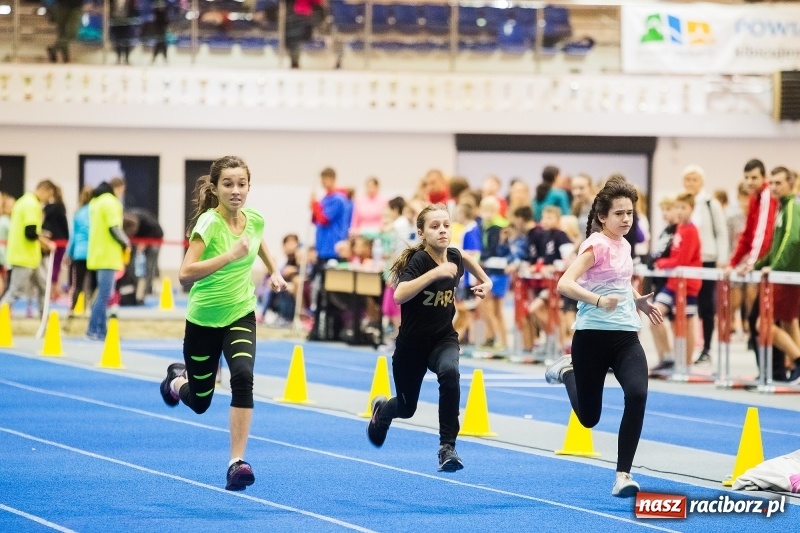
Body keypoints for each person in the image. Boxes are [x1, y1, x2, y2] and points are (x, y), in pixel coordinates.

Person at [158, 156, 287, 491]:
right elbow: (185, 273)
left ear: (248, 187)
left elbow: (259, 246)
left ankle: (236, 462)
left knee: (243, 377)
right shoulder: (208, 224)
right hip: (203, 320)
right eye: (228, 184)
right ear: (214, 188)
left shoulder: (255, 220)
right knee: (201, 402)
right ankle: (175, 381)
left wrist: (274, 271)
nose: (236, 190)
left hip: (241, 312)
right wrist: (229, 255)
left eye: (241, 184)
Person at [545, 176, 663, 498]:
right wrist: (597, 301)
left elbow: (619, 281)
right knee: (588, 418)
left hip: (625, 336)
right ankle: (568, 371)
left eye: (630, 213)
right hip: (592, 337)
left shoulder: (624, 245)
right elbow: (565, 284)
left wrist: (635, 298)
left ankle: (623, 474)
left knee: (637, 394)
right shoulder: (595, 244)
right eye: (619, 214)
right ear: (602, 217)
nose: (626, 220)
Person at [366, 203, 492, 472]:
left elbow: (465, 258)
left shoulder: (454, 257)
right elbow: (400, 294)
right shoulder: (420, 261)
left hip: (443, 339)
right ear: (422, 233)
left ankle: (447, 447)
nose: (442, 231)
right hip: (411, 347)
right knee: (406, 407)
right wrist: (435, 273)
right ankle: (383, 410)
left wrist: (485, 280)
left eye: (446, 225)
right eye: (435, 227)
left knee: (450, 372)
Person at [682, 165, 729, 364]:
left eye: (695, 179)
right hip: (689, 261)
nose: (691, 183)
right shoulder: (682, 203)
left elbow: (721, 232)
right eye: (688, 179)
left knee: (706, 304)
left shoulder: (711, 204)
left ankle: (707, 348)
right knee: (689, 305)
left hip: (707, 258)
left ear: (701, 181)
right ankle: (686, 348)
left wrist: (722, 259)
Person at [0, 181, 56, 314]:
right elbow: (30, 232)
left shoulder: (23, 201)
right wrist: (47, 243)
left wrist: (41, 235)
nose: (49, 200)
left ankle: (45, 322)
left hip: (30, 257)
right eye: (49, 195)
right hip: (24, 257)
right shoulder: (31, 204)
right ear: (44, 190)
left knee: (44, 288)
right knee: (15, 292)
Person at [86, 178, 130, 340]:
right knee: (104, 295)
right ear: (118, 188)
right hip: (108, 254)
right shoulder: (111, 203)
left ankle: (102, 330)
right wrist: (126, 243)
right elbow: (114, 228)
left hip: (96, 253)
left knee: (101, 294)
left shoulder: (95, 202)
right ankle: (92, 329)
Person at [65, 186, 95, 317]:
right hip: (94, 252)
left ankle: (71, 310)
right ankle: (89, 308)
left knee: (78, 284)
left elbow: (73, 236)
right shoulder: (96, 212)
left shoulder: (78, 213)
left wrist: (68, 253)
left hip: (79, 252)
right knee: (92, 283)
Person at [42, 184, 70, 302]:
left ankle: (52, 290)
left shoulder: (46, 208)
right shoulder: (60, 208)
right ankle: (52, 290)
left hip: (49, 240)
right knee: (55, 267)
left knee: (50, 267)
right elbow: (64, 225)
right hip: (60, 241)